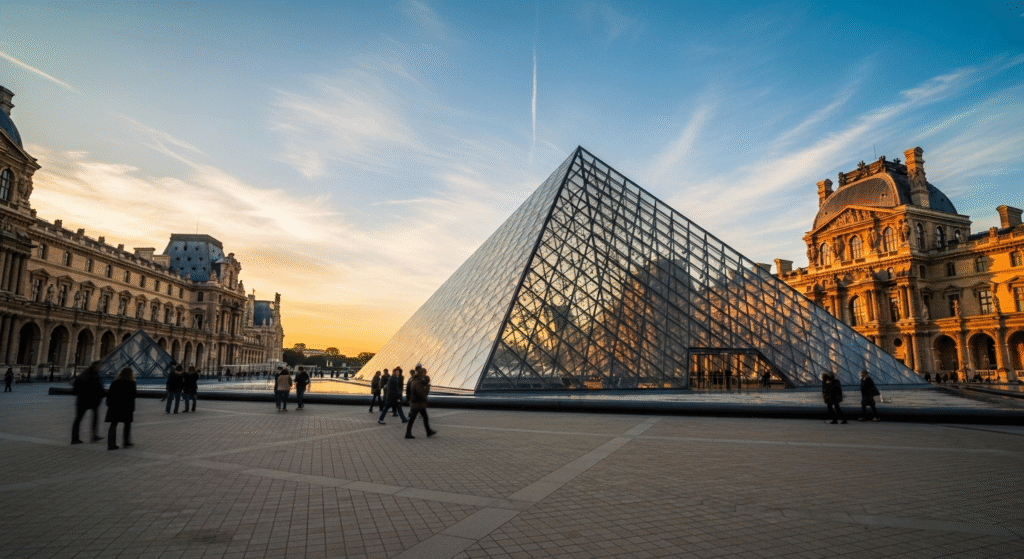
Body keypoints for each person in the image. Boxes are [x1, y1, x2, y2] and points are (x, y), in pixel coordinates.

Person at [71, 362, 105, 444]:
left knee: (78, 419)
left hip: (82, 400)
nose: (100, 368)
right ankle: (94, 436)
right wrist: (101, 395)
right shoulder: (95, 375)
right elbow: (99, 388)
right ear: (96, 366)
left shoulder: (83, 374)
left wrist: (80, 393)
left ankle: (74, 438)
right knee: (94, 418)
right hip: (92, 400)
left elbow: (75, 387)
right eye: (99, 366)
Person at [105, 367, 137, 450]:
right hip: (127, 407)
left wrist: (109, 404)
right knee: (127, 424)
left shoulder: (115, 382)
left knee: (113, 424)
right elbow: (134, 395)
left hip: (115, 406)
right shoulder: (132, 383)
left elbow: (109, 394)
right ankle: (126, 442)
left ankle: (111, 444)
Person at [405, 367, 436, 439]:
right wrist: (427, 389)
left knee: (423, 417)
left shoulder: (414, 380)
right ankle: (408, 433)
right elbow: (421, 393)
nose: (423, 375)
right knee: (414, 418)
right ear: (420, 374)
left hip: (417, 403)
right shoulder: (418, 383)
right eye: (423, 374)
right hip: (417, 403)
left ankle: (428, 431)